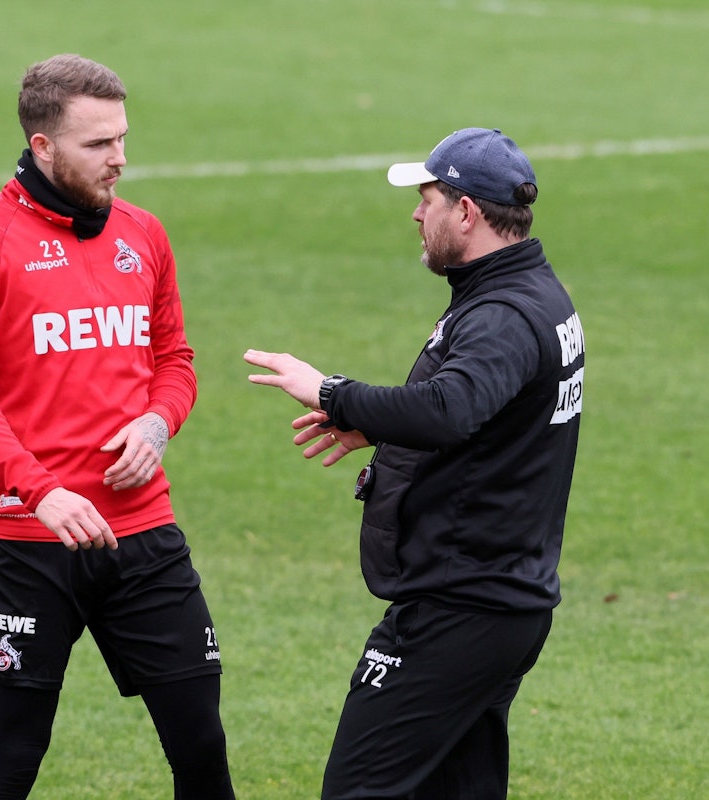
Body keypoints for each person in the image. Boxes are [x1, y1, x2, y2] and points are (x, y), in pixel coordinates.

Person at [244, 127, 584, 799]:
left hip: (460, 607)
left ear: (465, 211)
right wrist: (371, 425)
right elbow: (486, 412)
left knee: (357, 789)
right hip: (503, 600)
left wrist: (334, 394)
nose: (415, 214)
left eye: (426, 197)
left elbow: (449, 408)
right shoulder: (536, 296)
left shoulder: (503, 315)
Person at [0, 54, 234, 800]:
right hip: (29, 544)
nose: (120, 160)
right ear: (42, 147)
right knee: (13, 754)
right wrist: (41, 493)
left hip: (143, 536)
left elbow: (175, 359)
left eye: (123, 138)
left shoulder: (144, 235)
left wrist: (160, 423)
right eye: (98, 144)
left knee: (201, 744)